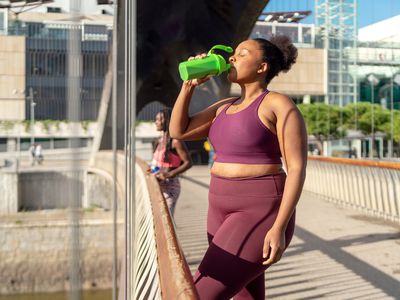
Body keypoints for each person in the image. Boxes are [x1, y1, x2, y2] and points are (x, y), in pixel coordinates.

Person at [169, 36, 307, 299]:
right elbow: (179, 130)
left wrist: (279, 227)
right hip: (218, 208)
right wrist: (189, 86)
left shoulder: (278, 104)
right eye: (233, 54)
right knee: (244, 295)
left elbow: (297, 169)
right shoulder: (223, 107)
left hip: (260, 212)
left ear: (262, 67)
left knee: (197, 293)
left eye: (242, 54)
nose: (232, 57)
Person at [149, 108, 193, 216]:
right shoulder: (159, 141)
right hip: (157, 185)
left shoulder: (176, 142)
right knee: (157, 217)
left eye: (159, 120)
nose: (156, 122)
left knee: (166, 218)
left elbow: (188, 162)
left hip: (170, 187)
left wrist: (169, 174)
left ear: (167, 121)